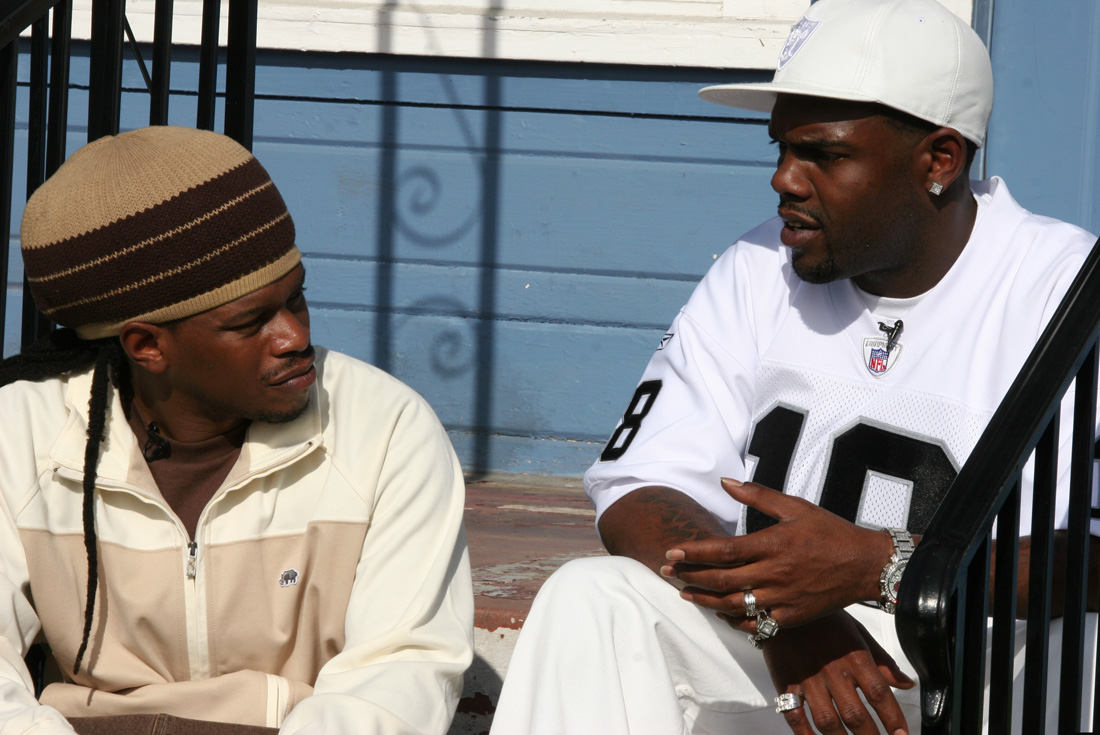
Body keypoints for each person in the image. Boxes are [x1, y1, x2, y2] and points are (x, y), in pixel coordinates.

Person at [489, 0, 1100, 733]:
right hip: (789, 654)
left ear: (938, 159)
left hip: (983, 667)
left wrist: (878, 566)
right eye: (781, 147)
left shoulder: (1068, 290)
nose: (785, 179)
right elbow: (640, 491)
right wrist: (779, 618)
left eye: (825, 153)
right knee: (594, 598)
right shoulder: (757, 266)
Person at [0, 126, 473, 735]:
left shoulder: (383, 427)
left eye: (297, 299)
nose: (295, 338)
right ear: (148, 345)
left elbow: (402, 672)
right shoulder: (21, 433)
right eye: (251, 323)